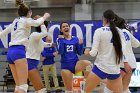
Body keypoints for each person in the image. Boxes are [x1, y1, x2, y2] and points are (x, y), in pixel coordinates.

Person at [0, 0, 50, 92]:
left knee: (19, 86)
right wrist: (45, 16)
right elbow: (37, 23)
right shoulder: (26, 20)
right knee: (23, 87)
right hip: (19, 51)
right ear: (29, 12)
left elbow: (1, 34)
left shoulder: (15, 21)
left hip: (11, 52)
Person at [84, 9, 128, 93]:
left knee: (86, 91)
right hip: (114, 70)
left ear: (104, 19)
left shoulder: (99, 31)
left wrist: (87, 52)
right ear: (113, 19)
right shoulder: (120, 32)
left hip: (101, 68)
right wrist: (125, 63)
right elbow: (123, 52)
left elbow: (93, 53)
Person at [56, 22, 92, 93]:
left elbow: (80, 53)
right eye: (63, 27)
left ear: (69, 28)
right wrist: (61, 40)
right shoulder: (59, 39)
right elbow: (61, 52)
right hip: (66, 66)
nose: (66, 27)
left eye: (67, 26)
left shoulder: (75, 38)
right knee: (69, 90)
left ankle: (84, 83)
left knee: (88, 64)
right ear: (61, 30)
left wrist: (81, 44)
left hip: (75, 64)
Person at [114, 14, 140, 93]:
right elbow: (137, 44)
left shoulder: (114, 32)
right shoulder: (127, 32)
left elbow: (122, 48)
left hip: (123, 64)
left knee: (112, 88)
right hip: (132, 64)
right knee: (124, 88)